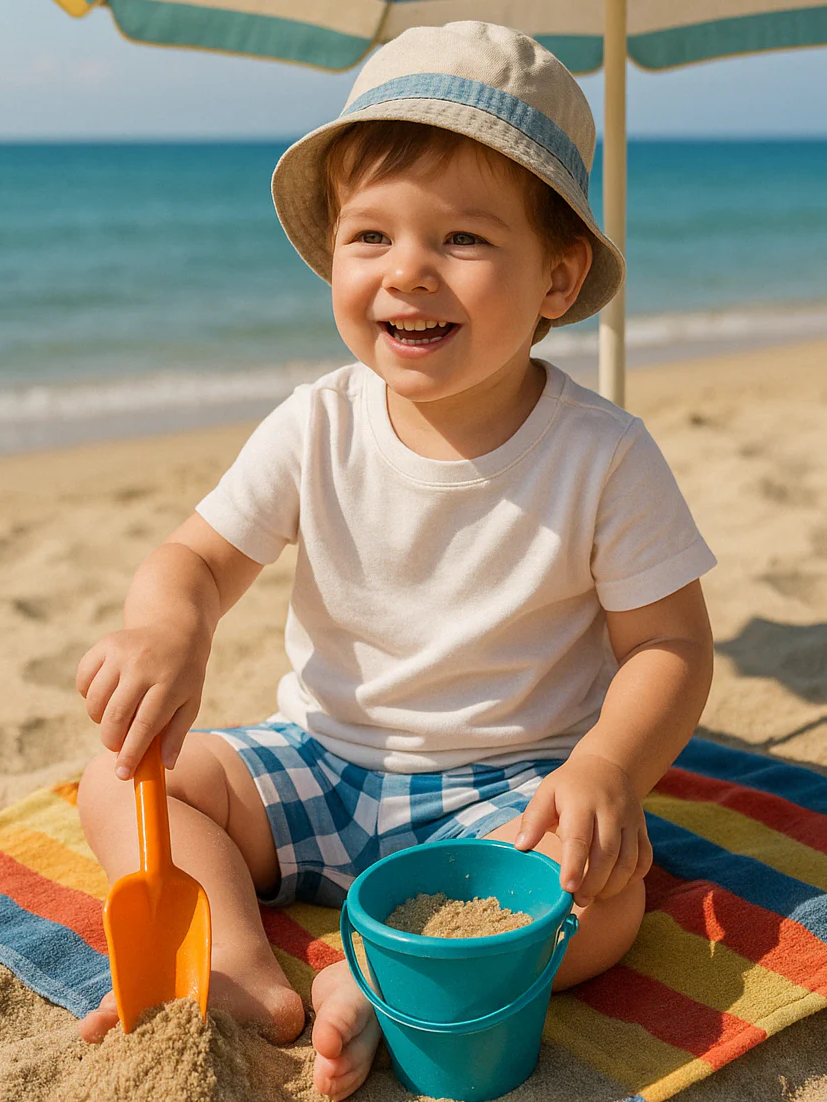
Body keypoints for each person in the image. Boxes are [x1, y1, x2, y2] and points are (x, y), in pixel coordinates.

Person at [74, 21, 716, 1101]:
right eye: (370, 236)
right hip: (322, 759)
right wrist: (168, 626)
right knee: (124, 777)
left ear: (558, 279)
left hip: (504, 790)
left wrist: (605, 770)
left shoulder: (605, 456)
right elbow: (194, 556)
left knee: (605, 902)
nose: (407, 271)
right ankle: (235, 953)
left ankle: (371, 985)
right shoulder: (315, 423)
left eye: (463, 240)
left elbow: (669, 645)